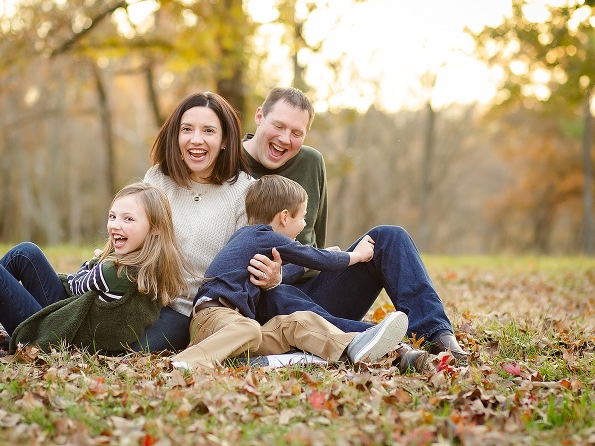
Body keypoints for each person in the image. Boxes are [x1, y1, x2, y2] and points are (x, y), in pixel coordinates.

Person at [242, 87, 470, 366]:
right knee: (276, 291)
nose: (284, 139)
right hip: (266, 305)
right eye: (278, 126)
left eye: (297, 133)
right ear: (259, 116)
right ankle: (378, 344)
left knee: (389, 237)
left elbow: (313, 242)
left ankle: (438, 337)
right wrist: (278, 276)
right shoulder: (230, 168)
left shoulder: (311, 163)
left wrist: (327, 260)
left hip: (314, 294)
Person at [0, 182, 188, 364]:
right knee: (25, 252)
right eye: (112, 216)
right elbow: (82, 288)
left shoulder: (117, 271)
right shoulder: (143, 268)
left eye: (128, 219)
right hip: (65, 320)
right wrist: (95, 266)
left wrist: (93, 266)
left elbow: (77, 285)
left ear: (154, 229)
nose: (115, 225)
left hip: (54, 332)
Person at [169, 174, 409, 370]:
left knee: (297, 323)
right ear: (284, 217)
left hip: (237, 330)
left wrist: (310, 262)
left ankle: (353, 345)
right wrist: (356, 256)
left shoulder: (254, 240)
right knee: (248, 328)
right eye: (302, 216)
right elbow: (314, 255)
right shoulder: (259, 235)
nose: (304, 224)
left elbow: (288, 269)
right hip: (212, 318)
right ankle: (187, 362)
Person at [137, 91, 278, 352]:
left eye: (209, 131)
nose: (196, 139)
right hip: (140, 298)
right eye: (187, 129)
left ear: (224, 140)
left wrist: (273, 277)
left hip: (186, 311)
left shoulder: (245, 193)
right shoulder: (157, 179)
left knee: (133, 349)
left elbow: (256, 261)